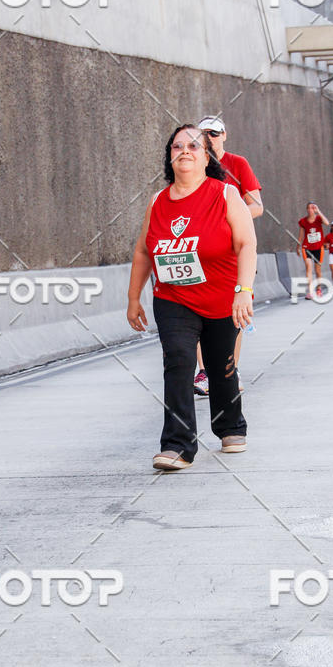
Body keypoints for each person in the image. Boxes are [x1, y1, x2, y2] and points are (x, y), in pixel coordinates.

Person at [127, 125, 257, 471]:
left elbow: (246, 244)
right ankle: (178, 445)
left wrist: (244, 291)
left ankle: (230, 425)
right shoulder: (157, 200)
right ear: (170, 156)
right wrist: (133, 298)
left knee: (220, 367)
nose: (185, 150)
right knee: (179, 360)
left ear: (207, 157)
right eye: (177, 146)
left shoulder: (225, 194)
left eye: (194, 146)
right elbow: (143, 251)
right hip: (173, 298)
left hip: (221, 298)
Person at [193, 115, 263, 397]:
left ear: (224, 135)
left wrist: (226, 218)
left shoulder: (238, 164)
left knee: (234, 311)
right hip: (199, 250)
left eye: (214, 133)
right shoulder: (192, 164)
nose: (209, 138)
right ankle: (204, 372)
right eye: (204, 134)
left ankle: (229, 368)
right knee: (197, 309)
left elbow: (256, 206)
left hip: (232, 251)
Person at [298, 202, 329, 299]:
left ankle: (319, 289)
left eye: (313, 208)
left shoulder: (319, 219)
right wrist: (298, 246)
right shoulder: (303, 221)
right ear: (307, 209)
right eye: (309, 208)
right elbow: (301, 235)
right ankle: (310, 291)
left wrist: (318, 211)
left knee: (318, 270)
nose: (310, 210)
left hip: (318, 247)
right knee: (308, 267)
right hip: (307, 247)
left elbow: (327, 223)